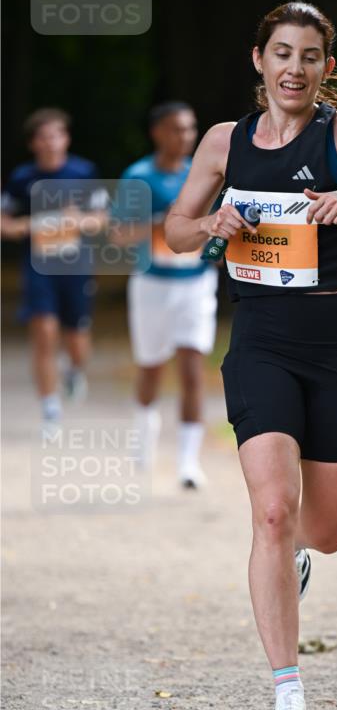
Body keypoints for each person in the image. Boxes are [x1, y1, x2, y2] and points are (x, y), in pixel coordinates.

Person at [165, 1, 337, 710]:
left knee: (326, 529)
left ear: (326, 68)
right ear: (259, 60)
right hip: (263, 341)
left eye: (309, 56)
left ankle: (300, 561)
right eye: (281, 53)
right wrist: (210, 224)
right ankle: (288, 700)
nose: (293, 68)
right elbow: (177, 230)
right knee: (273, 511)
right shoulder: (223, 143)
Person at [112, 102, 218, 488]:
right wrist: (163, 225)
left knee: (192, 370)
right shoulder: (138, 177)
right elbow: (119, 234)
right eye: (177, 129)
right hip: (152, 284)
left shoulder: (203, 174)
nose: (186, 136)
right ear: (157, 132)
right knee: (152, 367)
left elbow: (217, 228)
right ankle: (143, 442)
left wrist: (212, 250)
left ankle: (188, 464)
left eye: (190, 129)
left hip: (196, 283)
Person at [0, 108, 106, 434]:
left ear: (66, 139)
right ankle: (50, 410)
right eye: (43, 136)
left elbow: (102, 218)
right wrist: (27, 225)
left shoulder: (83, 172)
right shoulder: (22, 178)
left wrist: (79, 221)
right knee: (44, 333)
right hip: (39, 267)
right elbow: (5, 222)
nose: (50, 142)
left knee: (76, 338)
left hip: (75, 266)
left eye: (56, 135)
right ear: (33, 143)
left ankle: (75, 370)